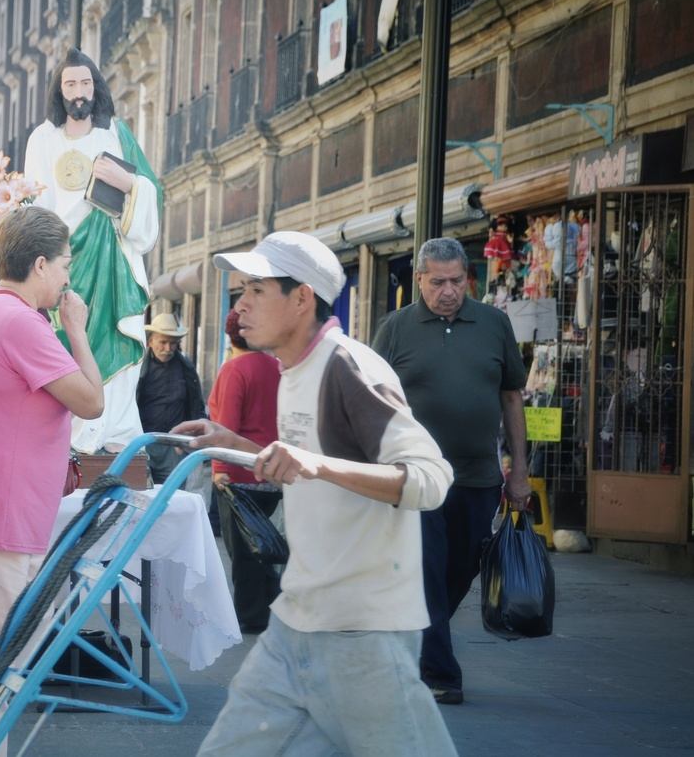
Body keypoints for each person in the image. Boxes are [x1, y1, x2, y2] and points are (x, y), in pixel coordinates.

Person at [174, 230, 457, 756]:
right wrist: (232, 442)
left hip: (361, 633)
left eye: (257, 290)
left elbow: (430, 477)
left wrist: (317, 464)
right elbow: (305, 470)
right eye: (242, 290)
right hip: (296, 622)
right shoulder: (292, 369)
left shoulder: (348, 366)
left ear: (302, 297)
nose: (241, 305)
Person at [0, 206, 104, 754]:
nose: (66, 279)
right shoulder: (18, 321)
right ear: (38, 264)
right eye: (63, 266)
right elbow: (91, 401)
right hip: (0, 513)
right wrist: (76, 328)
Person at [372, 236, 529, 706]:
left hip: (479, 477)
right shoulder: (396, 328)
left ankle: (415, 644)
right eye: (437, 281)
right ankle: (440, 672)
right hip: (415, 478)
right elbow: (371, 399)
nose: (447, 291)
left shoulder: (494, 324)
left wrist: (518, 470)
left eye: (456, 281)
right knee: (427, 571)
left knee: (458, 571)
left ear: (469, 279)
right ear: (419, 280)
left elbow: (511, 398)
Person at [24, 48, 161, 454]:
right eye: (70, 84)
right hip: (63, 261)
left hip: (110, 256)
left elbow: (151, 186)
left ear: (95, 87)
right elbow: (33, 204)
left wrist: (127, 182)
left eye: (85, 83)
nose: (79, 92)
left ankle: (114, 432)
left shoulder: (114, 133)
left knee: (112, 340)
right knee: (64, 340)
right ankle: (71, 435)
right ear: (59, 90)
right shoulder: (41, 139)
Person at [207, 309, 281, 635]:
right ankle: (269, 604)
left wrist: (220, 468)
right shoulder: (276, 367)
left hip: (239, 473)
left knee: (242, 550)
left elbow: (226, 425)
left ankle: (251, 614)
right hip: (272, 472)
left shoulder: (234, 369)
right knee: (261, 543)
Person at [135, 312, 206, 484]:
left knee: (172, 499)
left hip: (173, 446)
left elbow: (196, 405)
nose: (168, 348)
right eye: (163, 342)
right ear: (151, 342)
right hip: (143, 443)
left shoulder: (186, 368)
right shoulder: (137, 369)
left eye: (173, 343)